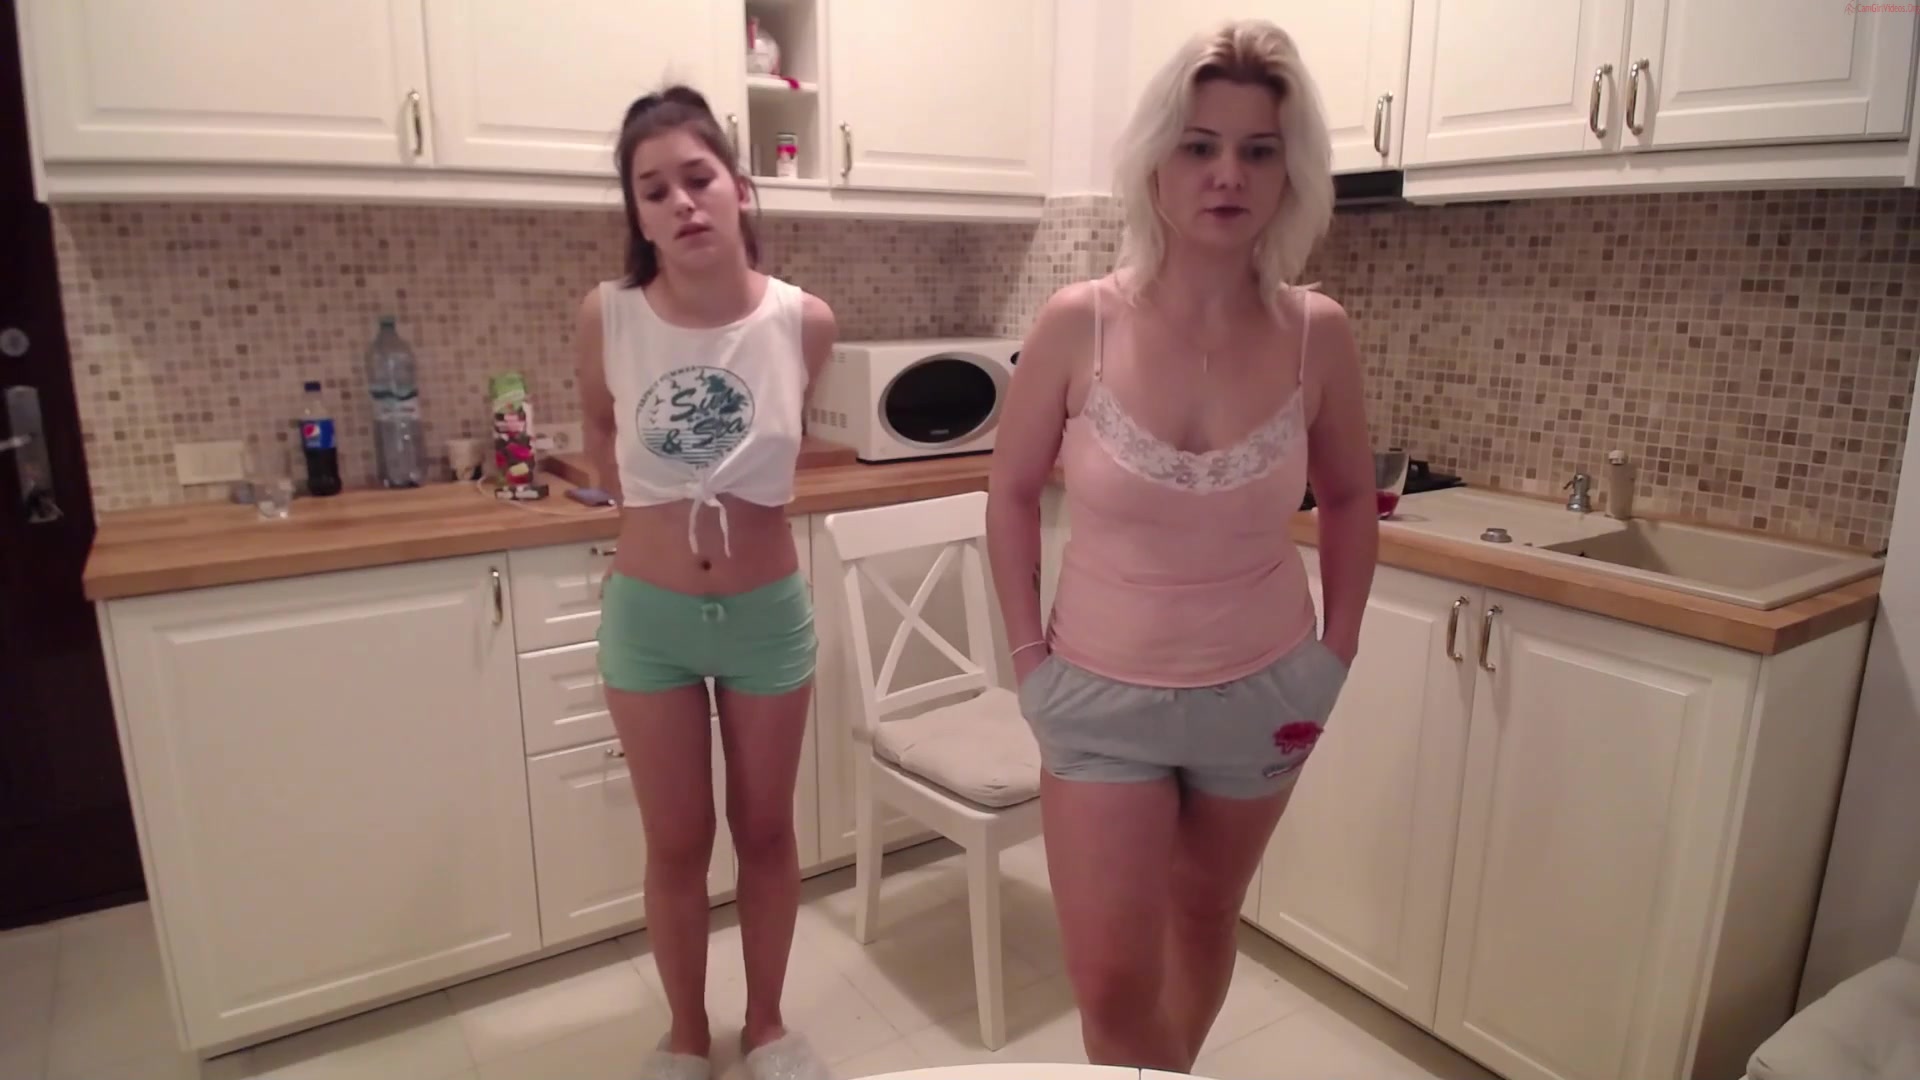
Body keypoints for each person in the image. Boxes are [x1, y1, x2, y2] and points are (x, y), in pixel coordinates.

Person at [985, 20, 1380, 1071]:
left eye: (1258, 150)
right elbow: (1010, 493)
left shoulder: (1319, 333)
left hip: (1267, 692)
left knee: (1204, 920)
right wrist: (1029, 661)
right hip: (1097, 698)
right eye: (1200, 145)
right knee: (1112, 984)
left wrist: (1335, 656)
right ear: (1155, 161)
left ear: (1290, 173)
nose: (1227, 174)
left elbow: (1351, 498)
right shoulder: (1079, 324)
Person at [577, 85, 837, 1080]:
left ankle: (765, 1024)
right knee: (676, 842)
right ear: (638, 216)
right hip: (649, 621)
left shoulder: (803, 322)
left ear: (739, 187)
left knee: (765, 830)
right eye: (654, 190)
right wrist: (638, 509)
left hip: (766, 615)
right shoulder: (607, 316)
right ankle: (687, 1034)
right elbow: (598, 424)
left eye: (698, 177)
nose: (681, 202)